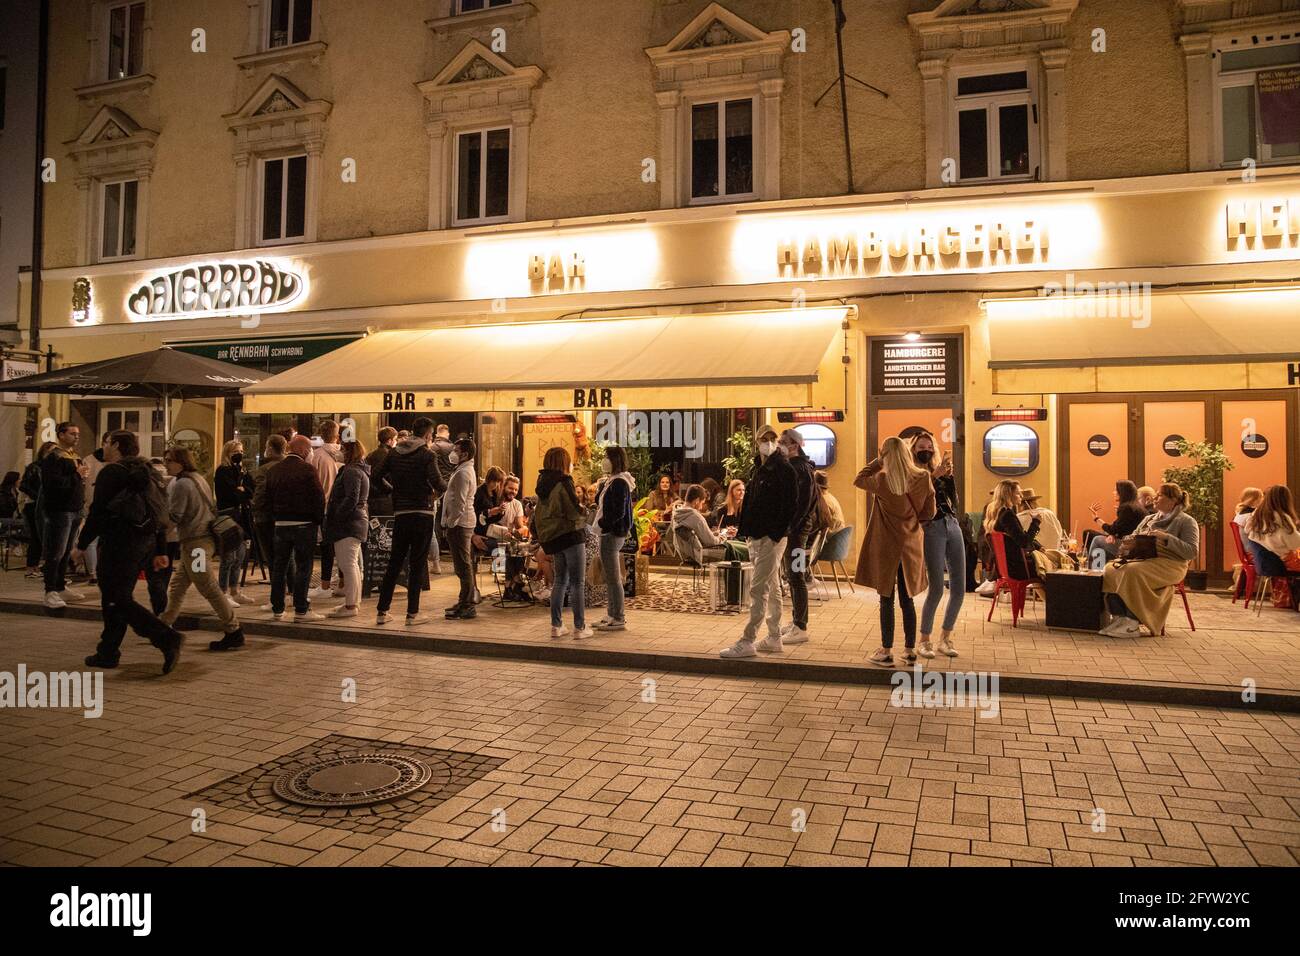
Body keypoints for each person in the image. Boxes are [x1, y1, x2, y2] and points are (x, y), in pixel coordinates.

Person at [73, 430, 184, 673]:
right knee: (115, 596)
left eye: (106, 443)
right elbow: (159, 514)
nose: (104, 448)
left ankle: (166, 637)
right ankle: (108, 651)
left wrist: (81, 545)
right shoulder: (149, 471)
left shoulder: (112, 472)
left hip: (118, 542)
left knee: (118, 598)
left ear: (115, 444)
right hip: (144, 544)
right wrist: (160, 549)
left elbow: (98, 513)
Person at [855, 437, 936, 667]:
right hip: (911, 545)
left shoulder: (882, 479)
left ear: (886, 456)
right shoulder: (923, 477)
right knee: (907, 599)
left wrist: (877, 462)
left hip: (887, 546)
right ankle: (910, 651)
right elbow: (929, 512)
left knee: (886, 599)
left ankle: (886, 650)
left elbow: (859, 479)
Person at [719, 425, 795, 658]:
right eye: (765, 438)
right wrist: (749, 533)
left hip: (770, 539)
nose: (769, 442)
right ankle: (774, 637)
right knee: (771, 588)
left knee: (758, 588)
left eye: (773, 438)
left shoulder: (783, 469)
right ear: (757, 441)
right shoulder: (760, 469)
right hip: (759, 537)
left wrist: (774, 535)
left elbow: (791, 506)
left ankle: (748, 639)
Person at [159, 446, 246, 650]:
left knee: (209, 587)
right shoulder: (197, 478)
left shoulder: (181, 484)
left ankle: (233, 630)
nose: (166, 464)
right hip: (198, 541)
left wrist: (157, 534)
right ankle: (163, 626)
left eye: (169, 460)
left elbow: (175, 516)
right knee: (178, 585)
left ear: (181, 462)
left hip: (196, 544)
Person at [372, 418, 446, 625]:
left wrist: (393, 490)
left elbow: (376, 476)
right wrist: (437, 493)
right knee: (417, 563)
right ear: (428, 435)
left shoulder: (394, 453)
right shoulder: (427, 454)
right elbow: (438, 482)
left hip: (401, 513)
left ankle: (381, 611)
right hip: (422, 512)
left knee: (394, 562)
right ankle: (412, 614)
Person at [1101, 482, 1199, 637]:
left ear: (1173, 500)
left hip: (1171, 564)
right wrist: (1129, 543)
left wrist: (1166, 537)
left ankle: (1132, 622)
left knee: (1131, 571)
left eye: (1160, 495)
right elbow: (1132, 536)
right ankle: (1120, 617)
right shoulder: (1149, 519)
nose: (1155, 497)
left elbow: (1191, 551)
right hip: (1145, 560)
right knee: (1110, 569)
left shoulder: (1186, 521)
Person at [909, 432, 963, 659]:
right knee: (937, 587)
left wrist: (948, 479)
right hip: (931, 527)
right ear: (913, 450)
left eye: (930, 447)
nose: (927, 450)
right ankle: (924, 640)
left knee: (959, 587)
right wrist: (933, 475)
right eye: (922, 447)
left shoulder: (939, 471)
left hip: (952, 524)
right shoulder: (913, 473)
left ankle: (946, 637)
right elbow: (913, 496)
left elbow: (954, 502)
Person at [265, 435, 327, 623]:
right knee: (303, 567)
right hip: (304, 525)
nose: (310, 453)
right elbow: (318, 497)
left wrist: (275, 518)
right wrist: (317, 521)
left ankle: (277, 608)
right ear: (303, 450)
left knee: (279, 567)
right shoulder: (308, 470)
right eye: (309, 450)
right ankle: (301, 609)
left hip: (280, 525)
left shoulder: (274, 470)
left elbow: (267, 498)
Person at [534, 446, 590, 639]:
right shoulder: (564, 481)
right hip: (571, 536)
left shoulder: (542, 483)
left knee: (559, 581)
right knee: (577, 583)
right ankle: (580, 628)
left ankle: (556, 626)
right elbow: (573, 510)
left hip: (554, 538)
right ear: (563, 463)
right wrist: (585, 510)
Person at [38, 421, 89, 609]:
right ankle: (50, 590)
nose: (76, 436)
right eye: (72, 433)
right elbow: (52, 484)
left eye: (78, 434)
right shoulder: (54, 457)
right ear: (60, 434)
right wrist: (76, 474)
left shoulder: (74, 455)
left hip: (75, 508)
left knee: (66, 551)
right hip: (60, 510)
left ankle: (60, 586)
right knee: (55, 552)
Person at [778, 429, 819, 645]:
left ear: (794, 445)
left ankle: (801, 626)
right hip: (796, 529)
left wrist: (790, 527)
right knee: (793, 575)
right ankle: (796, 621)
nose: (779, 445)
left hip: (797, 531)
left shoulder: (800, 469)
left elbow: (801, 504)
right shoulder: (798, 467)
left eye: (783, 442)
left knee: (795, 575)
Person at [325, 439, 370, 618]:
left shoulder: (351, 471)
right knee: (352, 564)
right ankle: (352, 602)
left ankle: (350, 606)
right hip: (355, 522)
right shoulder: (358, 470)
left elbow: (352, 497)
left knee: (348, 564)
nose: (339, 451)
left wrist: (337, 515)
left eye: (343, 449)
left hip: (348, 524)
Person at [592, 446, 634, 631]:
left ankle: (618, 616)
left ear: (615, 460)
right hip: (609, 532)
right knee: (610, 576)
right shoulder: (612, 481)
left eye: (607, 457)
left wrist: (603, 523)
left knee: (613, 577)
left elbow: (618, 511)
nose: (604, 461)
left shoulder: (619, 483)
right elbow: (599, 502)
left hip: (611, 533)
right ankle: (611, 613)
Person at [1244, 485, 1300, 608]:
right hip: (1281, 562)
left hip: (1266, 562)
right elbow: (1295, 543)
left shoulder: (1257, 515)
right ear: (1286, 500)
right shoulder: (1282, 518)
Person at [214, 439, 255, 606]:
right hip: (227, 515)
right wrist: (241, 490)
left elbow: (251, 490)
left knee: (240, 555)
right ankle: (222, 592)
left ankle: (234, 590)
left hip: (240, 515)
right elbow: (231, 495)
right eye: (236, 452)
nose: (239, 455)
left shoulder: (241, 470)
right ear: (228, 453)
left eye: (241, 451)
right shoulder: (223, 471)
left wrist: (244, 490)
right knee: (228, 556)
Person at [441, 437, 478, 620]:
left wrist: (451, 522)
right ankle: (464, 600)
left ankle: (468, 604)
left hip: (461, 523)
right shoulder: (463, 470)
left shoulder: (464, 473)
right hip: (460, 522)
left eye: (456, 450)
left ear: (465, 453)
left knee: (463, 565)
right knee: (462, 565)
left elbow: (460, 502)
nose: (453, 453)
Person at [310, 420, 346, 601]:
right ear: (337, 435)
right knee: (341, 548)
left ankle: (324, 585)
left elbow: (311, 484)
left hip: (323, 507)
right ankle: (342, 583)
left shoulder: (316, 456)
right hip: (340, 507)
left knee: (326, 549)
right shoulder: (343, 455)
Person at [250, 434, 289, 594]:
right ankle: (292, 591)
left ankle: (277, 593)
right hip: (287, 517)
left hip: (266, 517)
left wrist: (253, 507)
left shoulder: (265, 469)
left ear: (271, 449)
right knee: (288, 557)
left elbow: (260, 495)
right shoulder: (292, 465)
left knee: (272, 558)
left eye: (266, 446)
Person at [986, 480, 1043, 581]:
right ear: (1009, 495)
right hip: (1018, 568)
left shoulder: (1000, 514)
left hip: (1007, 567)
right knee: (1053, 568)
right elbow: (1024, 542)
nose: (1021, 495)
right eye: (1018, 493)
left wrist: (1038, 546)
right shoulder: (1007, 515)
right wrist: (1036, 522)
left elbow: (1019, 537)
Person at [78, 432, 110, 585]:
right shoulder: (89, 460)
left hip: (107, 508)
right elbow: (83, 482)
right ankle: (93, 572)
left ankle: (100, 572)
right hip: (92, 505)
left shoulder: (116, 462)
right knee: (91, 540)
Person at [1087, 480, 1146, 562]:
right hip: (1135, 544)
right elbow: (1119, 528)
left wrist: (1096, 518)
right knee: (1092, 534)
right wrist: (1112, 535)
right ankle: (1101, 570)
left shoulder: (1126, 507)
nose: (1113, 492)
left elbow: (1112, 529)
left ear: (1122, 492)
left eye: (1115, 490)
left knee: (1097, 540)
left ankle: (1091, 571)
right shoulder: (1136, 506)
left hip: (1129, 547)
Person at [18, 443, 54, 577]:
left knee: (44, 537)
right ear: (44, 452)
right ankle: (31, 568)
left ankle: (37, 566)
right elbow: (24, 486)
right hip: (33, 505)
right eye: (51, 451)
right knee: (36, 537)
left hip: (46, 505)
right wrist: (38, 496)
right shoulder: (35, 467)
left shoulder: (51, 468)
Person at [429, 423, 456, 575]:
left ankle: (436, 561)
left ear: (437, 433)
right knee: (451, 522)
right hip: (451, 487)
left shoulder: (434, 447)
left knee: (437, 524)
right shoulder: (453, 448)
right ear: (448, 433)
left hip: (438, 488)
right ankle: (453, 553)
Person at [472, 466, 506, 553]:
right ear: (488, 479)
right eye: (494, 481)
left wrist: (500, 511)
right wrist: (489, 512)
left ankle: (500, 566)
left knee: (508, 542)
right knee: (499, 546)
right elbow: (473, 513)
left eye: (498, 482)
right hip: (480, 529)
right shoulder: (479, 492)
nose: (496, 484)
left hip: (491, 528)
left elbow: (496, 517)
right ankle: (498, 566)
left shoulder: (495, 494)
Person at [366, 426, 397, 516]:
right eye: (395, 439)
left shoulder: (371, 454)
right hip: (384, 498)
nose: (396, 442)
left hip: (372, 497)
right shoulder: (389, 455)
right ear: (389, 440)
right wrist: (392, 489)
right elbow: (380, 477)